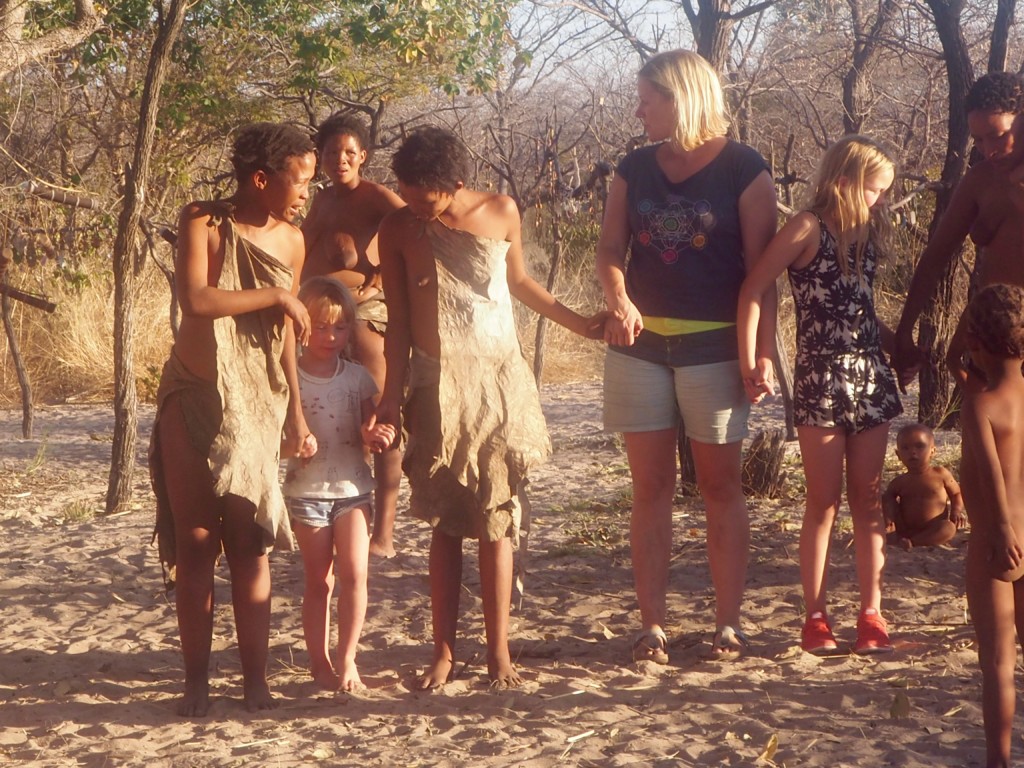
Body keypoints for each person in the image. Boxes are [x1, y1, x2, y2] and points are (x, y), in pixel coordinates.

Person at [375, 126, 605, 689]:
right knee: (446, 523)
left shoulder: (501, 210)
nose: (414, 204)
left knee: (497, 519)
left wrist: (579, 323)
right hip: (434, 385)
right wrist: (389, 401)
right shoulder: (399, 227)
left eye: (424, 196)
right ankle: (445, 653)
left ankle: (500, 653)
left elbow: (520, 282)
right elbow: (399, 322)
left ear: (455, 185)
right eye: (405, 191)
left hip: (499, 381)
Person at [595, 49, 778, 663]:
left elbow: (762, 275)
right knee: (650, 487)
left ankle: (728, 622)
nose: (638, 109)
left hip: (715, 348)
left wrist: (762, 353)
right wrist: (617, 296)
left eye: (648, 97)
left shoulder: (745, 168)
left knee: (720, 487)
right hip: (637, 347)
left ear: (681, 97)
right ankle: (653, 625)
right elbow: (610, 248)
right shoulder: (634, 166)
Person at [149, 122, 317, 716]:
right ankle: (196, 680)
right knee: (195, 545)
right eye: (299, 182)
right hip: (195, 397)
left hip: (257, 409)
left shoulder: (293, 242)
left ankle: (255, 681)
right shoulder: (204, 220)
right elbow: (197, 299)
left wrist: (296, 414)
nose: (305, 194)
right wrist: (275, 296)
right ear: (262, 178)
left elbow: (287, 342)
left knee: (251, 544)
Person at [737, 135, 902, 656]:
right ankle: (815, 616)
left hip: (870, 374)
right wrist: (753, 359)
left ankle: (871, 613)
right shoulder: (806, 226)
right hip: (819, 377)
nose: (880, 200)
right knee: (823, 502)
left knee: (869, 498)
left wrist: (901, 346)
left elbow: (862, 304)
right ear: (845, 181)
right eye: (875, 189)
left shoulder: (871, 229)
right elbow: (754, 286)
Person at [282, 277, 396, 692]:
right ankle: (318, 662)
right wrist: (293, 446)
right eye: (321, 326)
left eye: (340, 327)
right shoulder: (289, 378)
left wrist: (378, 436)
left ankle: (348, 659)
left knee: (355, 574)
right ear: (302, 326)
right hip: (306, 493)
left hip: (352, 490)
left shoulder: (358, 378)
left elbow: (374, 429)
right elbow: (277, 442)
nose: (330, 337)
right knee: (319, 581)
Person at [302, 112, 405, 558]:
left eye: (348, 153)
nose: (339, 160)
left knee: (381, 409)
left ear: (362, 156)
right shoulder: (320, 200)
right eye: (330, 153)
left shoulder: (377, 196)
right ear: (320, 157)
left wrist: (381, 277)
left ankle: (383, 530)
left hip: (363, 309)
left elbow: (413, 228)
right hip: (318, 308)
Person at [893, 72, 1024, 388]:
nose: (988, 149)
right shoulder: (980, 180)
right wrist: (903, 332)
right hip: (998, 341)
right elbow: (936, 255)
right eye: (979, 140)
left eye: (998, 135)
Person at [960, 283, 1024, 768]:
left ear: (976, 342)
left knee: (998, 661)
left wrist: (1000, 528)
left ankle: (998, 761)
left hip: (995, 541)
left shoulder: (979, 404)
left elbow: (988, 472)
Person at [882, 423, 966, 550]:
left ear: (933, 450)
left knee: (948, 528)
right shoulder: (900, 481)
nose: (913, 452)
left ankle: (914, 542)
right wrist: (889, 517)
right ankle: (899, 537)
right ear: (898, 455)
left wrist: (956, 511)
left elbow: (956, 494)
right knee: (884, 498)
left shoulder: (940, 474)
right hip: (905, 528)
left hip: (934, 527)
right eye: (905, 448)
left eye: (920, 446)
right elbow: (888, 498)